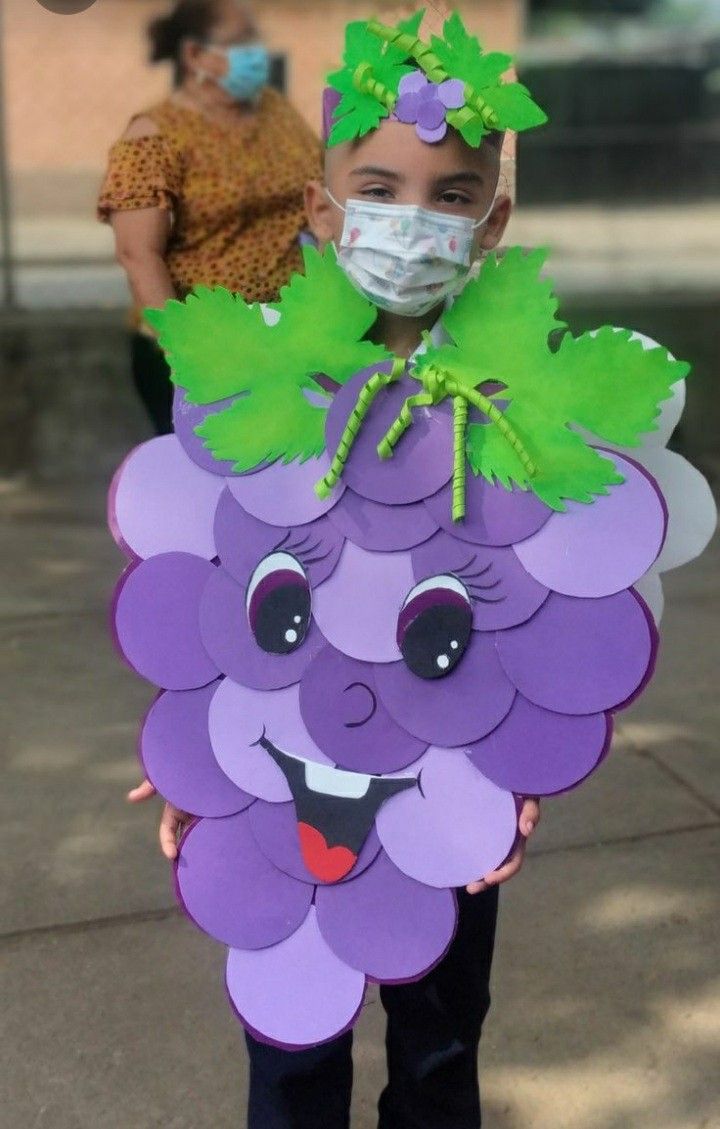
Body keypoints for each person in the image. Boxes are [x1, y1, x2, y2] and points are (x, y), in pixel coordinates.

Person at [127, 13, 545, 1127]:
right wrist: (188, 753)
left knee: (440, 1044)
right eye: (381, 185)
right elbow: (204, 570)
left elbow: (549, 608)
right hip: (279, 775)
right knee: (291, 1043)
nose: (417, 221)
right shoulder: (261, 387)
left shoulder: (512, 406)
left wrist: (522, 766)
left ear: (491, 221)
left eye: (454, 196)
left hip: (449, 780)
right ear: (322, 209)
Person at [97, 0, 321, 434]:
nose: (255, 53)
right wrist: (189, 357)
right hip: (197, 349)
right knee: (207, 478)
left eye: (255, 41)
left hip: (282, 339)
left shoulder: (276, 112)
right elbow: (138, 255)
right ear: (195, 55)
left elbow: (319, 200)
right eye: (239, 43)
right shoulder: (154, 137)